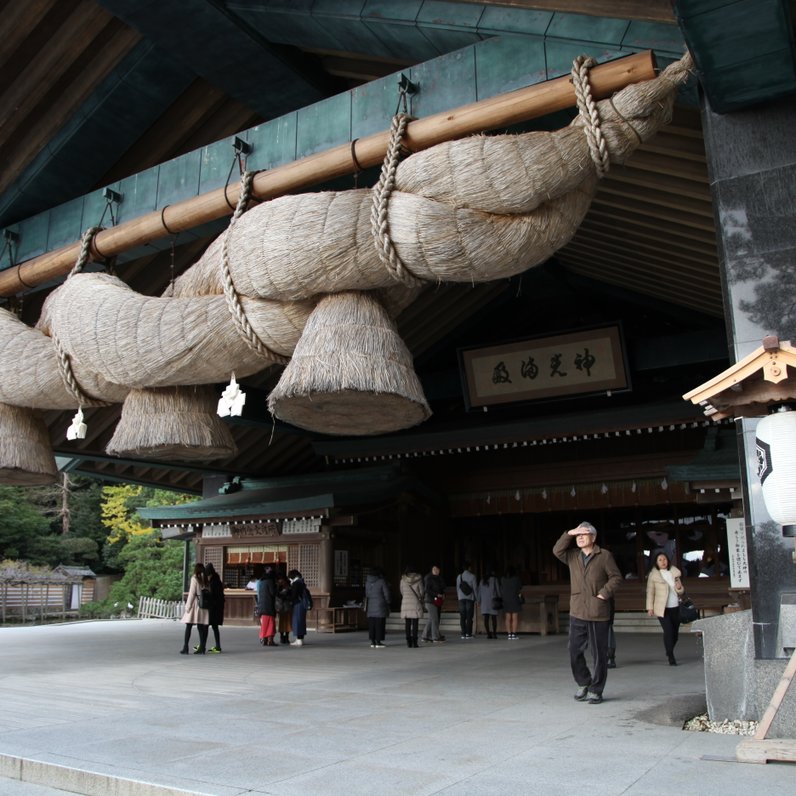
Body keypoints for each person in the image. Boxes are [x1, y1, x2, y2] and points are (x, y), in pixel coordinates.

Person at [553, 521, 622, 705]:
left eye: (584, 534)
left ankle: (596, 690)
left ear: (593, 537)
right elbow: (557, 550)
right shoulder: (572, 556)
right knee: (574, 650)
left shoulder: (604, 556)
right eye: (578, 535)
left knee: (599, 653)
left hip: (598, 611)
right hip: (577, 610)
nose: (580, 537)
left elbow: (616, 577)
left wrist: (604, 593)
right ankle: (584, 682)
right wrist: (570, 532)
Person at [646, 550, 685, 665]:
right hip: (662, 608)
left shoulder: (674, 573)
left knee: (675, 635)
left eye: (665, 559)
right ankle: (671, 656)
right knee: (668, 631)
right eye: (660, 560)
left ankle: (669, 650)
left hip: (675, 606)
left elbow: (681, 591)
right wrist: (650, 607)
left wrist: (679, 587)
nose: (663, 562)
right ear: (656, 562)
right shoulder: (653, 575)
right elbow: (650, 592)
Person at [179, 562, 209, 655]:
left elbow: (192, 594)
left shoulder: (194, 579)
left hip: (196, 603)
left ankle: (185, 647)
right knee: (201, 626)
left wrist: (187, 607)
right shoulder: (205, 579)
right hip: (203, 604)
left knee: (189, 625)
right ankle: (202, 647)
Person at [365, 567, 391, 648]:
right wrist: (388, 601)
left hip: (371, 605)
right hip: (380, 604)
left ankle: (372, 642)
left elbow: (367, 594)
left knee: (372, 624)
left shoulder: (367, 582)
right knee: (379, 624)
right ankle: (378, 642)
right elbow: (386, 593)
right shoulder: (381, 581)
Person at [400, 564, 425, 648]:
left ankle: (408, 642)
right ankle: (415, 642)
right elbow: (421, 592)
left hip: (406, 603)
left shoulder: (402, 580)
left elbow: (402, 591)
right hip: (415, 603)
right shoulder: (419, 579)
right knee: (415, 623)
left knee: (407, 623)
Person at [421, 564, 446, 643]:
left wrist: (443, 594)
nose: (436, 570)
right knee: (434, 619)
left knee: (431, 619)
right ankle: (435, 637)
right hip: (430, 601)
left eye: (437, 569)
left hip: (437, 601)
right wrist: (436, 594)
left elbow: (442, 588)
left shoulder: (439, 578)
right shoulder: (428, 578)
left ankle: (425, 636)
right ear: (431, 570)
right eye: (434, 569)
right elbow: (427, 590)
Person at [204, 562, 225, 653]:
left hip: (213, 607)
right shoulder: (217, 580)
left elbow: (212, 595)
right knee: (215, 627)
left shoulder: (213, 582)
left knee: (206, 626)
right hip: (218, 607)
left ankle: (203, 645)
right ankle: (218, 646)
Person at [255, 565, 278, 647]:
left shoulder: (261, 582)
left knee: (264, 623)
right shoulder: (270, 582)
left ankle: (264, 639)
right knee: (270, 623)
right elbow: (273, 593)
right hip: (269, 605)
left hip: (262, 605)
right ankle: (270, 640)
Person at [477, 568, 502, 639]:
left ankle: (488, 634)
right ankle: (494, 634)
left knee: (486, 618)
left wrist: (478, 601)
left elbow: (479, 592)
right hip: (493, 601)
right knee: (494, 618)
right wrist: (500, 598)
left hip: (484, 602)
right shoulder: (494, 579)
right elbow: (498, 590)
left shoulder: (482, 580)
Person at [500, 565, 523, 640]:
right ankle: (514, 634)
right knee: (514, 617)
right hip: (514, 598)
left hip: (506, 599)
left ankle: (509, 634)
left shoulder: (503, 579)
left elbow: (501, 588)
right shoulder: (516, 579)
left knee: (507, 617)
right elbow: (520, 587)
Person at [456, 561, 478, 639]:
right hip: (470, 598)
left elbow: (458, 588)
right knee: (469, 616)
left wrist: (459, 597)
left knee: (462, 616)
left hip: (461, 599)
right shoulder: (473, 576)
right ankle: (469, 634)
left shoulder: (459, 576)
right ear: (469, 567)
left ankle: (463, 634)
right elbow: (475, 588)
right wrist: (477, 598)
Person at [288, 569, 309, 646]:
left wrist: (288, 598)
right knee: (301, 621)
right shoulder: (302, 582)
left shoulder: (296, 584)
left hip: (298, 604)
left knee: (297, 621)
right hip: (303, 604)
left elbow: (294, 595)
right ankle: (301, 638)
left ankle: (298, 640)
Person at [276, 574, 293, 645]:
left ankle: (286, 636)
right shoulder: (278, 587)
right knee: (282, 623)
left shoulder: (289, 588)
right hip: (281, 607)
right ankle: (282, 636)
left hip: (287, 606)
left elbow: (289, 596)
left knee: (287, 622)